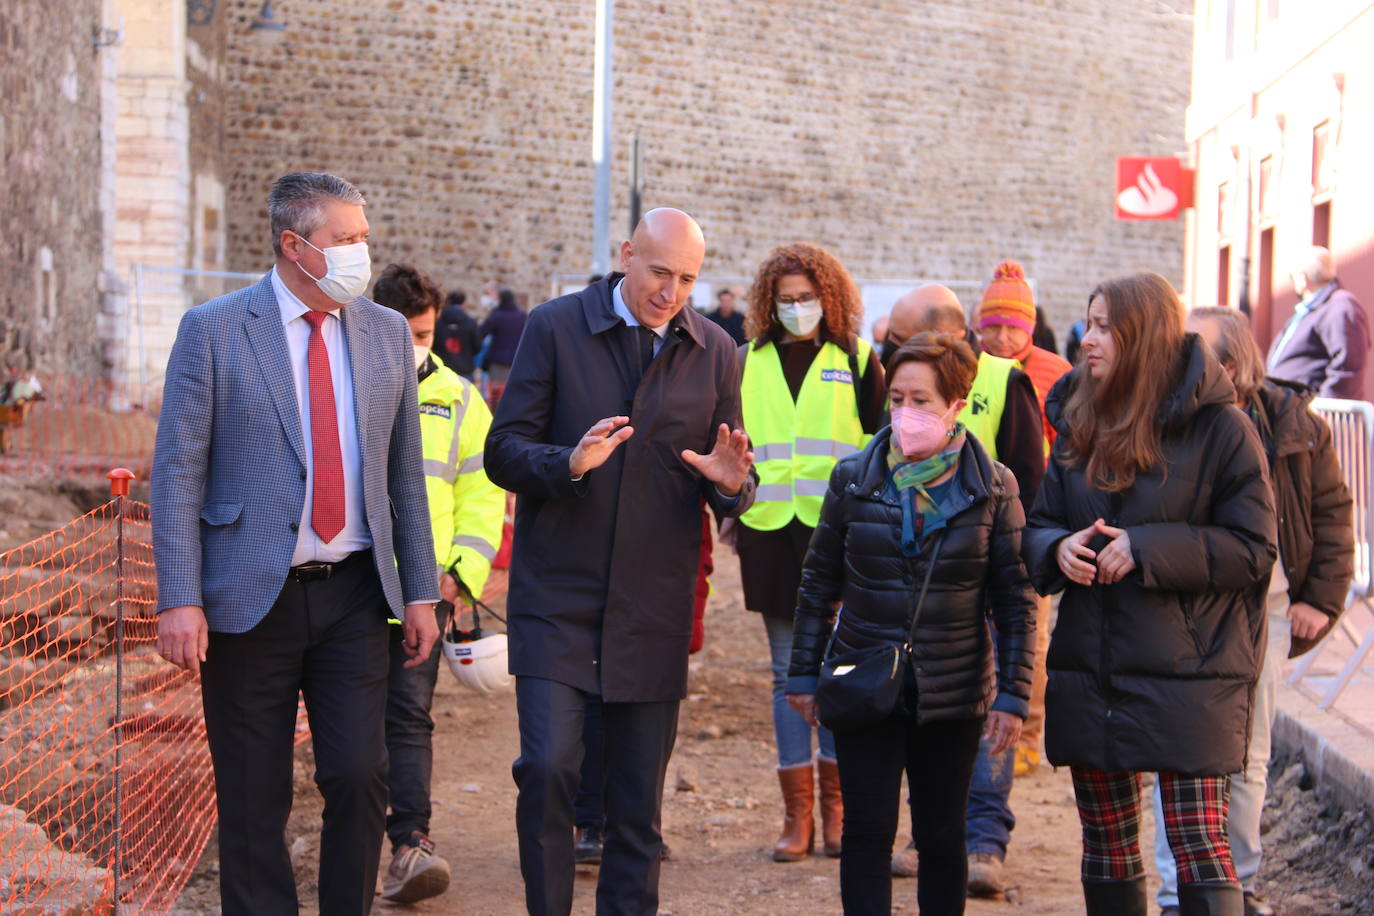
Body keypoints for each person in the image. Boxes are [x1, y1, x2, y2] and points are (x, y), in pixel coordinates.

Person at [151, 172, 440, 916]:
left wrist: (421, 591)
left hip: (351, 594)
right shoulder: (213, 331)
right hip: (249, 598)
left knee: (357, 773)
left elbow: (404, 475)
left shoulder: (381, 332)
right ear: (293, 245)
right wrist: (179, 597)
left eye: (361, 237)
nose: (360, 254)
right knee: (252, 795)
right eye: (343, 241)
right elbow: (178, 473)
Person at [484, 207, 757, 916]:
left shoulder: (718, 350)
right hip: (557, 599)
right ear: (627, 253)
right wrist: (567, 462)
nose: (671, 292)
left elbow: (732, 477)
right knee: (547, 770)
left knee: (637, 805)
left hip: (652, 606)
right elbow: (502, 451)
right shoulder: (555, 327)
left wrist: (732, 486)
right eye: (660, 272)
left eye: (688, 280)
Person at [1022, 271, 1277, 916]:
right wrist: (1057, 549)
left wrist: (1145, 547)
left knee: (1197, 842)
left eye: (1106, 326)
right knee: (1107, 844)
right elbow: (1041, 523)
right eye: (1090, 322)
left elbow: (1254, 549)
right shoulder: (1081, 417)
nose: (1089, 340)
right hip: (1095, 661)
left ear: (1144, 334)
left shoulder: (1223, 430)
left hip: (1191, 667)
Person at [785, 332, 1035, 916]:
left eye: (921, 400)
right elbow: (819, 580)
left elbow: (1016, 599)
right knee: (867, 831)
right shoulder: (854, 478)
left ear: (955, 403)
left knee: (941, 835)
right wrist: (803, 673)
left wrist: (1015, 694)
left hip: (951, 690)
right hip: (863, 677)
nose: (905, 413)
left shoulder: (994, 487)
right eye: (897, 398)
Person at [1150, 306, 1353, 916]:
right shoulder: (1168, 419)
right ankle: (1173, 893)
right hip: (1186, 607)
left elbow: (1332, 514)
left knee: (1248, 754)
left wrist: (1320, 598)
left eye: (1196, 354)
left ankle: (1234, 884)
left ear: (1230, 364)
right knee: (1177, 753)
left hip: (1265, 609)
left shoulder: (1296, 425)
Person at [736, 242, 886, 862]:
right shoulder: (745, 359)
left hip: (843, 536)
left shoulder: (857, 358)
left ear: (830, 298)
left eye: (807, 297)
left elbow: (882, 443)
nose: (797, 308)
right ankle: (797, 815)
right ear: (769, 303)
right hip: (771, 531)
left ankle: (836, 811)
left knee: (840, 673)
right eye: (786, 299)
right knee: (786, 674)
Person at [371, 263, 506, 903]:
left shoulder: (459, 399)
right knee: (350, 729)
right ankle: (352, 845)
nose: (412, 346)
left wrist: (458, 579)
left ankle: (409, 845)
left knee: (408, 717)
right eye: (402, 333)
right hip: (349, 588)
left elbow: (483, 500)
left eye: (423, 334)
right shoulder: (343, 386)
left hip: (423, 597)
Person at [1267, 245, 1370, 398]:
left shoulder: (1340, 305)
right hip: (1288, 409)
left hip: (1310, 412)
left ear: (1303, 279)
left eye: (1292, 277)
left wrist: (1325, 404)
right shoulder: (1315, 308)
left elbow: (1348, 364)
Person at [478, 287, 527, 405]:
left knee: (496, 395)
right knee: (514, 394)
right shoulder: (522, 316)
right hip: (517, 360)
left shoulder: (496, 315)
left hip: (497, 360)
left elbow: (481, 333)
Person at [434, 288, 482, 379]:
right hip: (465, 370)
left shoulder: (437, 322)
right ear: (464, 303)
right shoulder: (471, 322)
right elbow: (477, 346)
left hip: (443, 370)